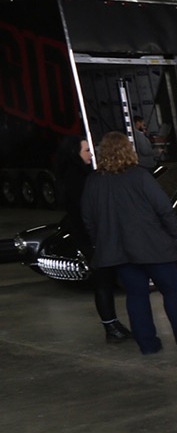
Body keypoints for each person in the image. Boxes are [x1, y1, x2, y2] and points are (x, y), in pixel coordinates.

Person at [80, 132, 177, 355]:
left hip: (120, 251)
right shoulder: (140, 176)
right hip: (154, 246)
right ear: (128, 150)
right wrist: (175, 236)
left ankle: (148, 344)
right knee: (171, 292)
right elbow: (163, 209)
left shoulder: (94, 181)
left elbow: (88, 218)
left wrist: (102, 242)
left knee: (136, 296)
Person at [54, 132, 132, 343]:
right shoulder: (77, 177)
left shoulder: (74, 175)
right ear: (75, 153)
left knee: (104, 280)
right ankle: (111, 326)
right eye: (87, 150)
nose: (91, 154)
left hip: (88, 236)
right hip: (90, 237)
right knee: (103, 281)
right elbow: (85, 211)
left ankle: (112, 324)